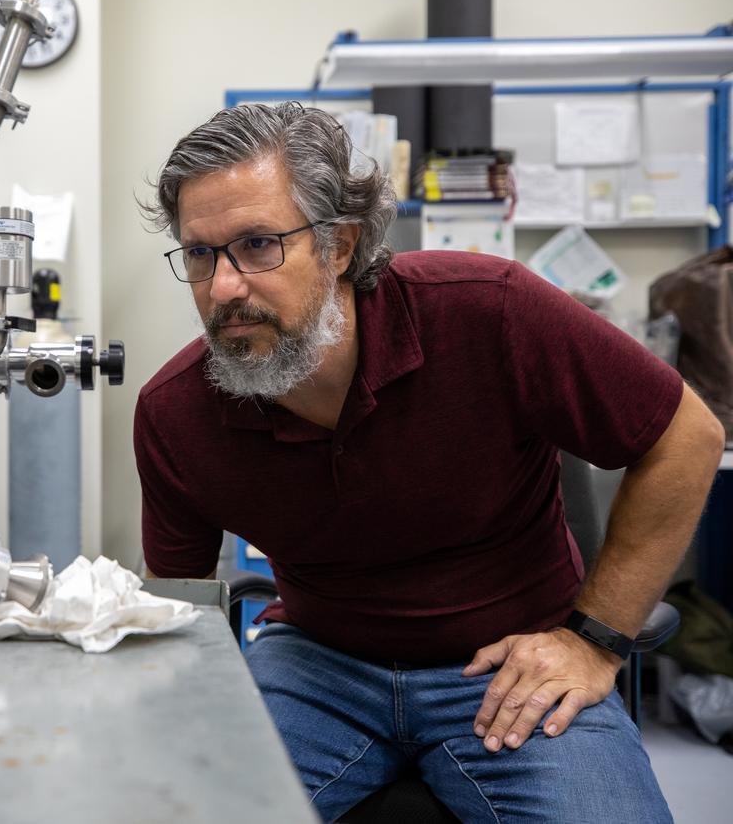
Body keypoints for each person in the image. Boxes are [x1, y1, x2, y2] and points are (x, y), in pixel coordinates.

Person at [134, 102, 726, 823]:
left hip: (510, 665)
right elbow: (183, 612)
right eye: (200, 253)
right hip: (315, 667)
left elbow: (685, 437)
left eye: (258, 244)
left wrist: (594, 641)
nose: (224, 286)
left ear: (340, 244)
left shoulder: (489, 312)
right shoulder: (174, 414)